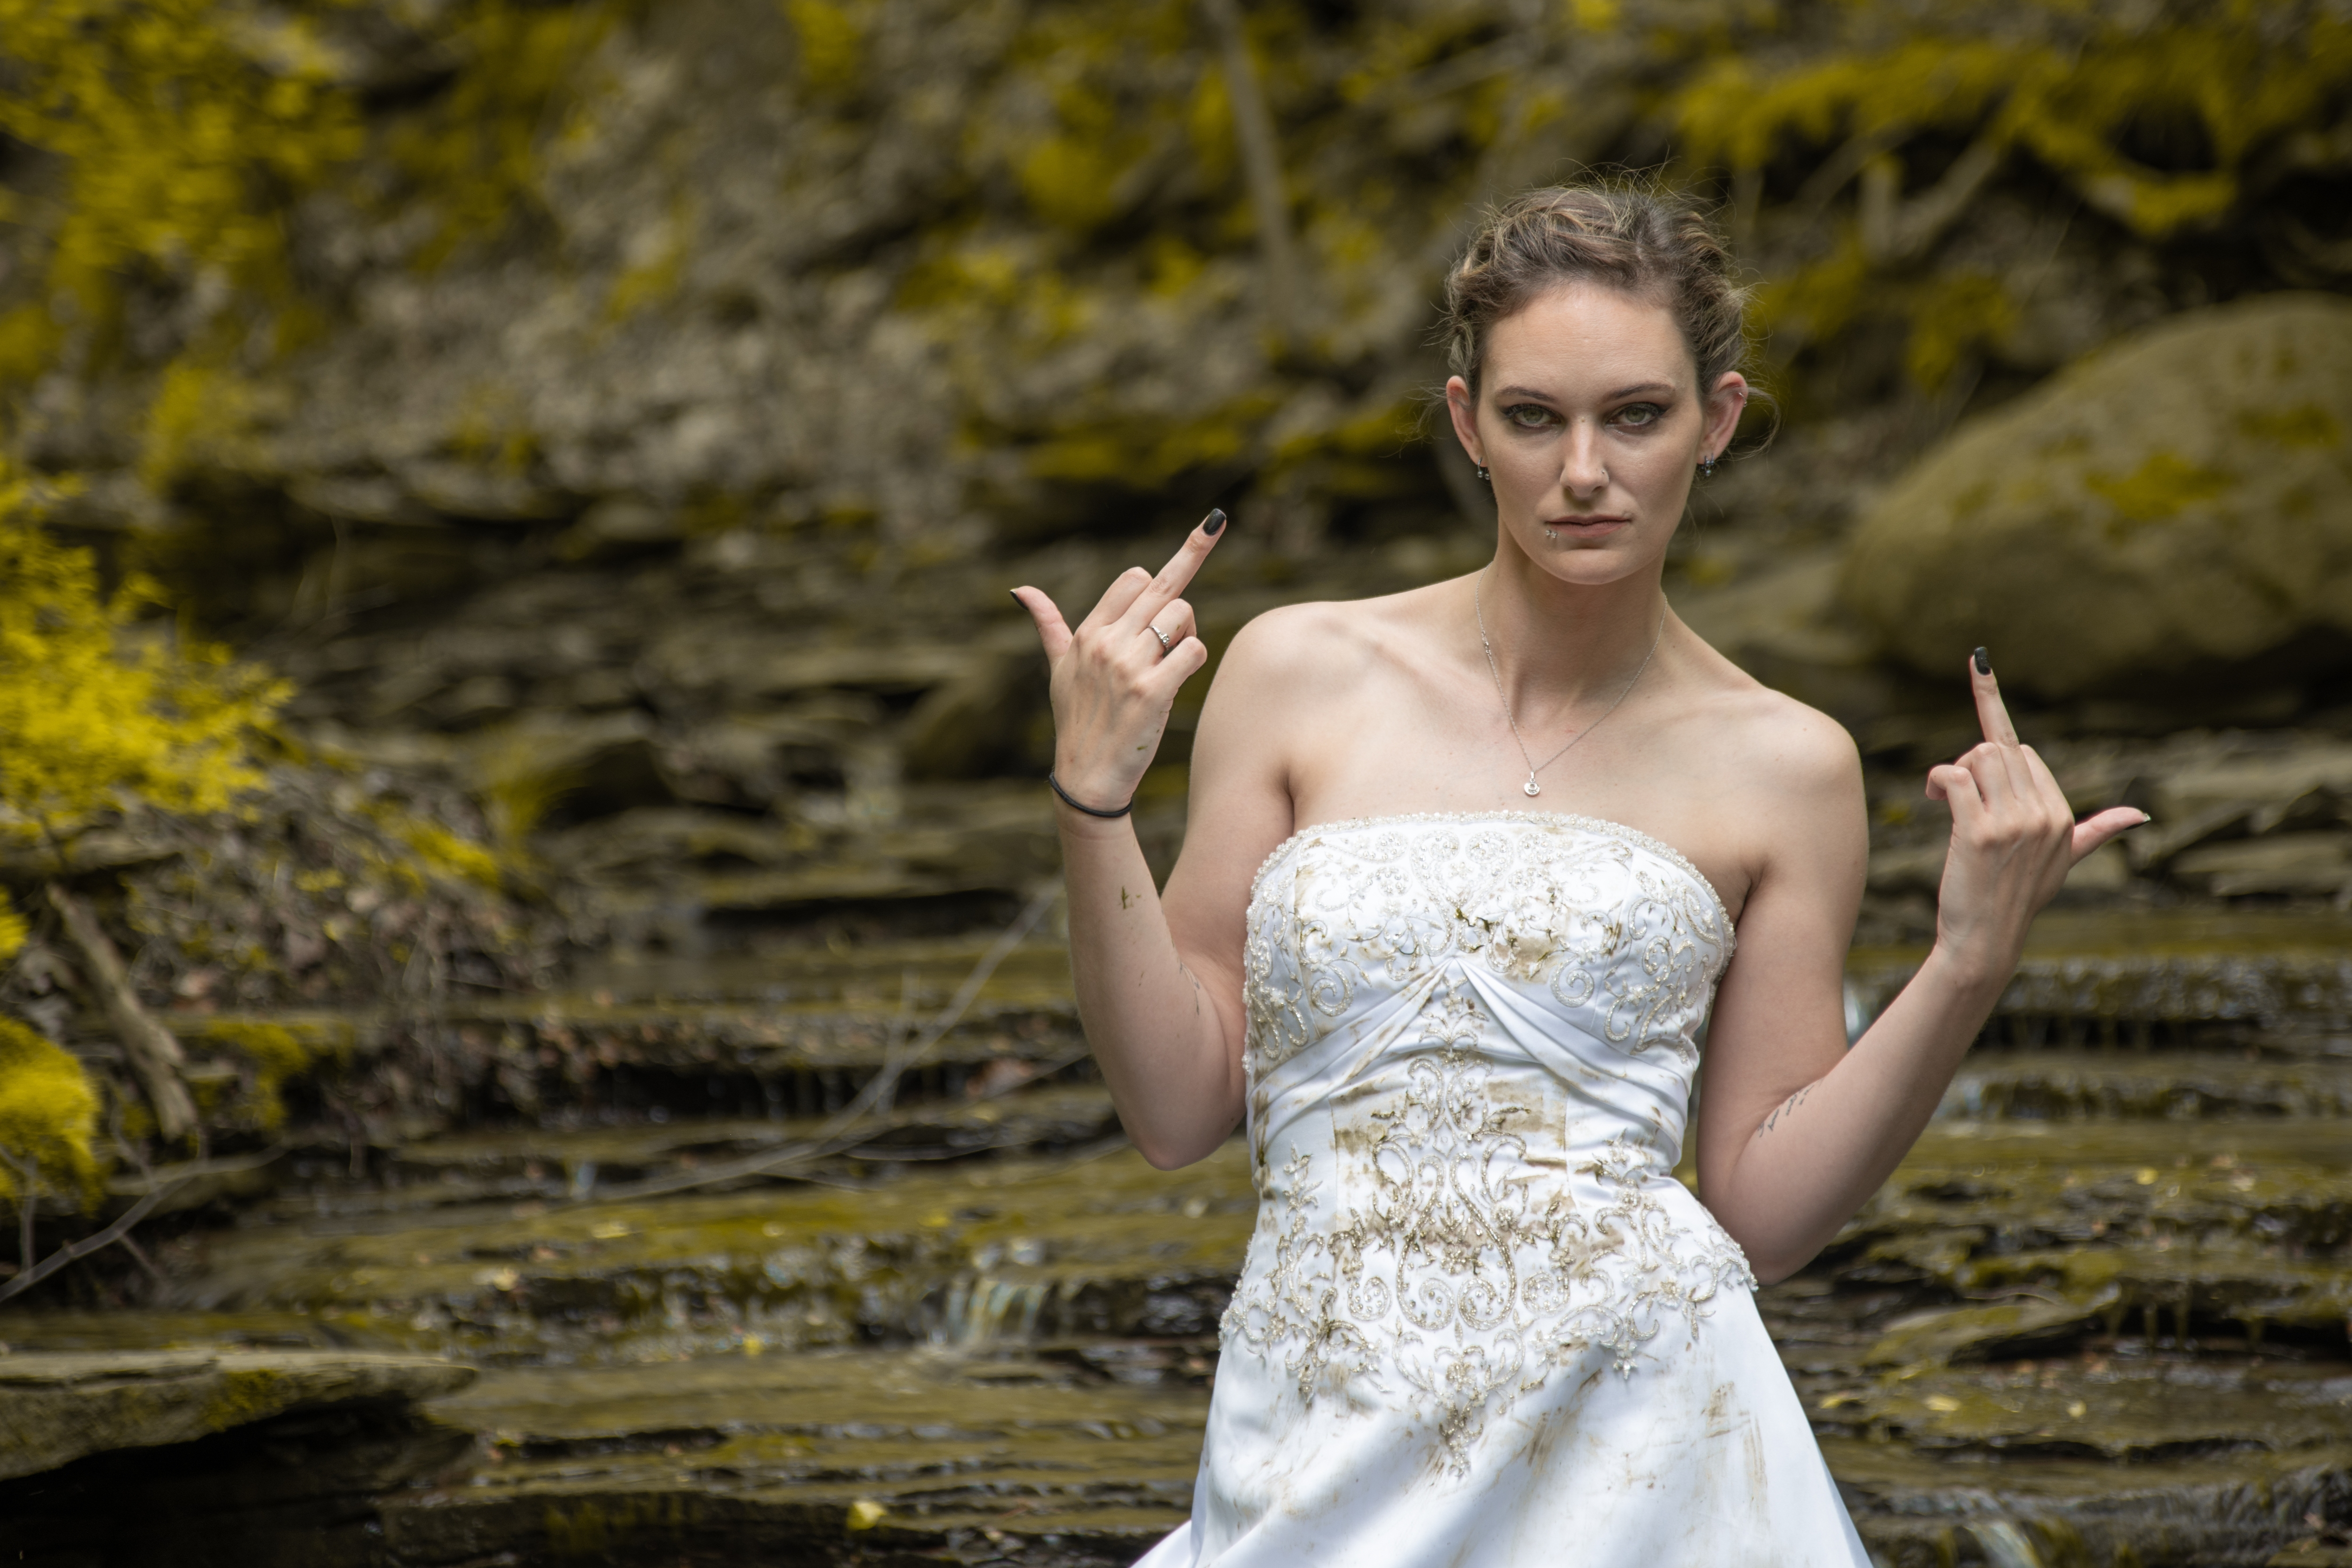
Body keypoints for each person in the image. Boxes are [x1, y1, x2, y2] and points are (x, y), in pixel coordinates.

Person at [1009, 183, 2144, 1565]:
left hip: (1644, 1461)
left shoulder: (1789, 763)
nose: (1585, 471)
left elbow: (1763, 1209)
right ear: (1466, 421)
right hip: (1311, 1443)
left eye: (1638, 416)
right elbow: (1179, 1105)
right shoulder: (1298, 672)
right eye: (1536, 416)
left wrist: (1968, 962)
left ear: (1718, 421)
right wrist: (1094, 805)